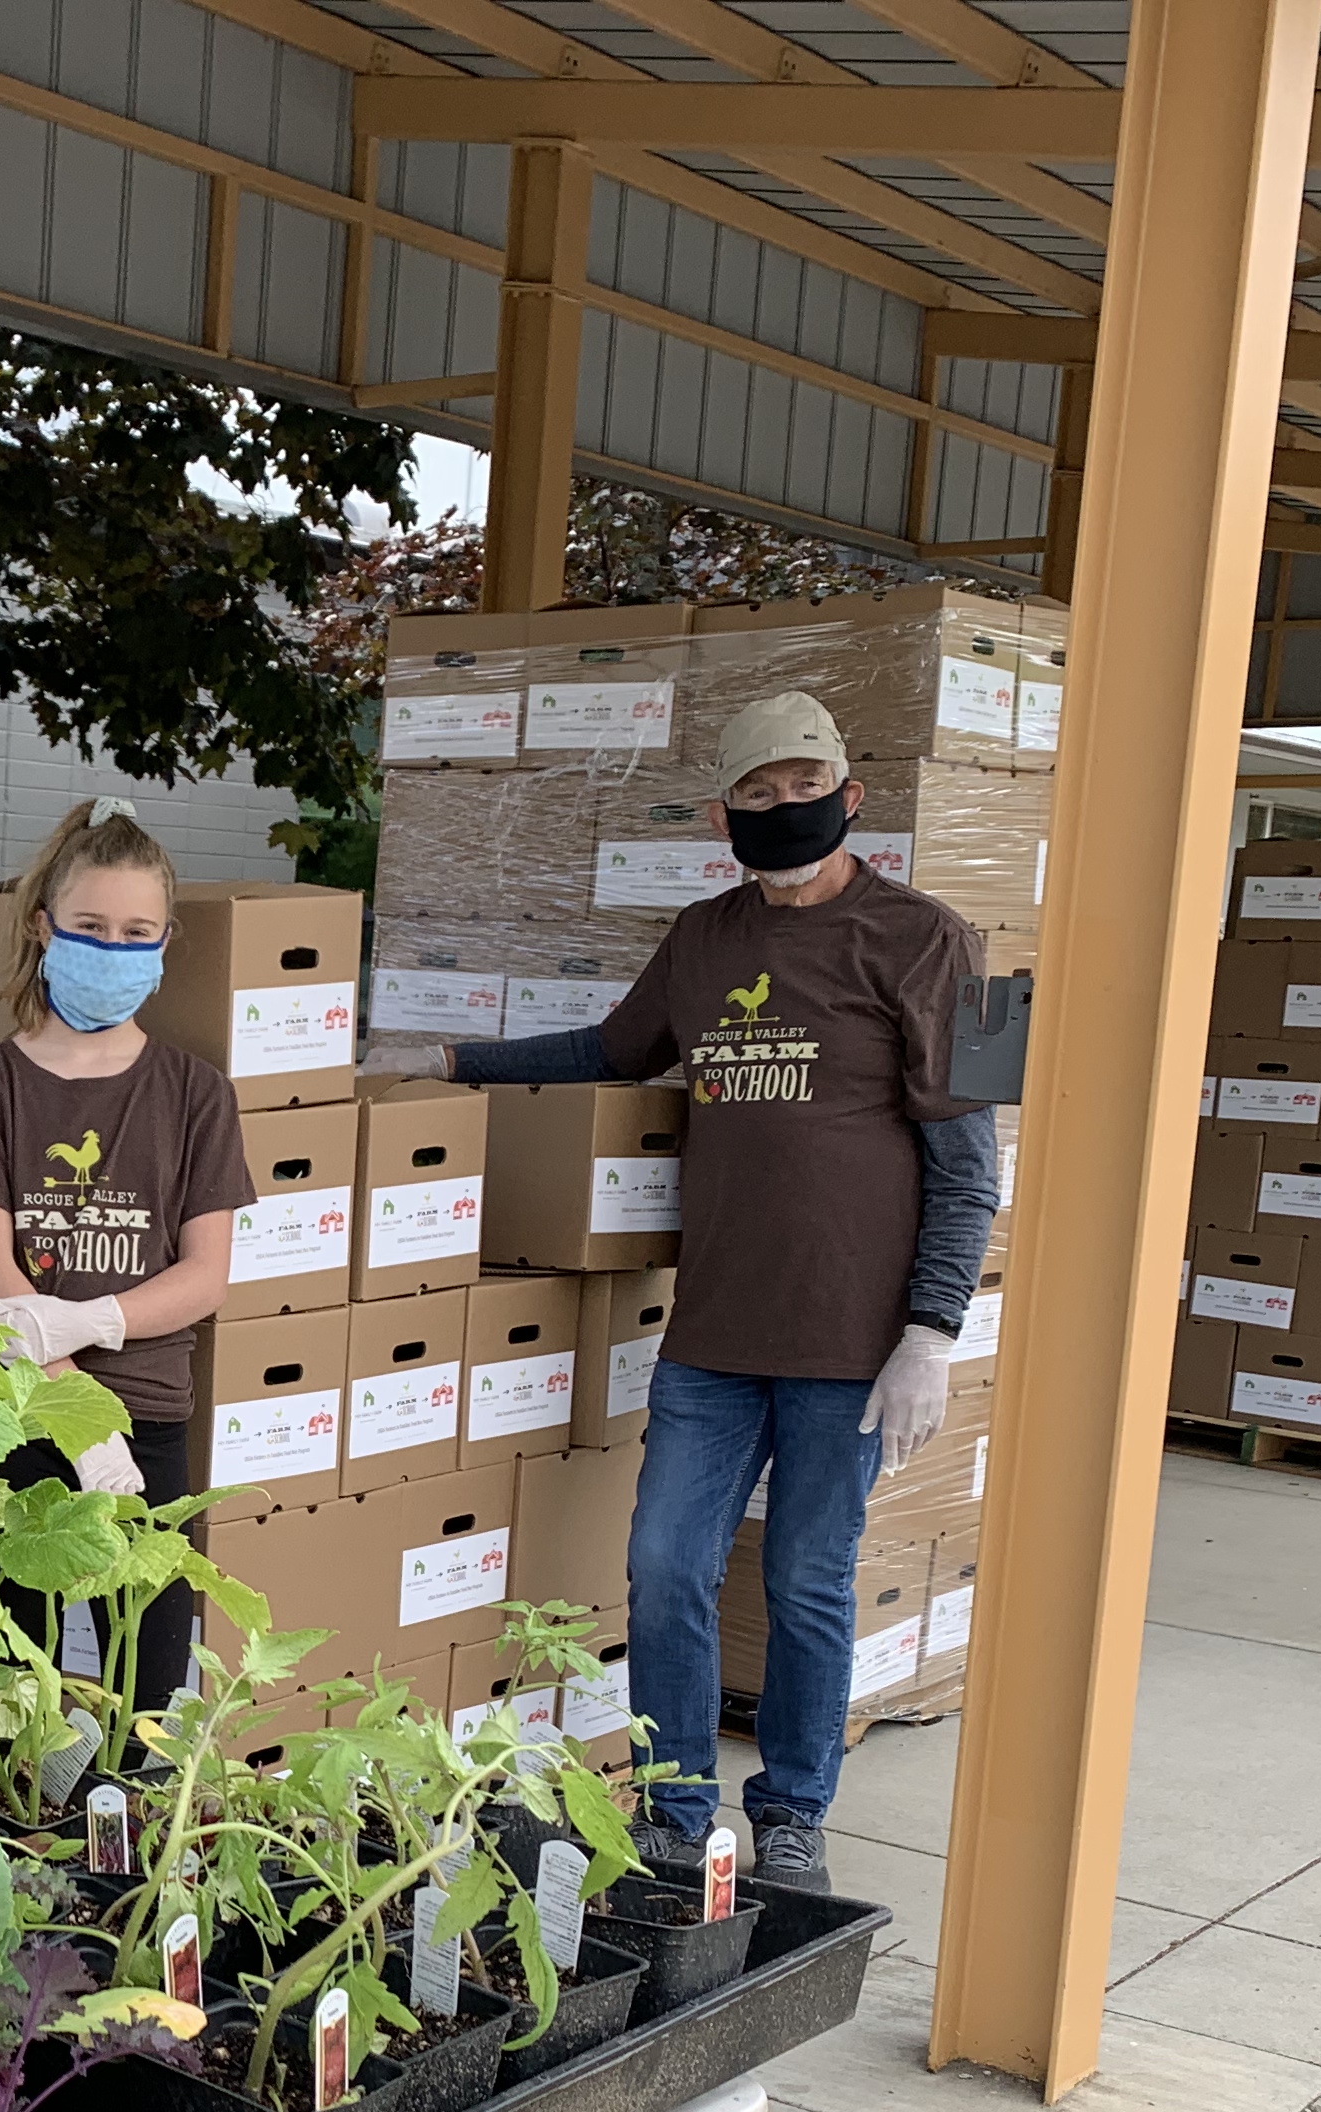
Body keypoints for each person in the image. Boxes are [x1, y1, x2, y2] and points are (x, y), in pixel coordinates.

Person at [364, 693, 999, 1890]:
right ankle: (671, 1804)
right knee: (663, 1567)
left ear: (851, 794)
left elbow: (973, 1165)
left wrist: (931, 1331)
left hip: (853, 1346)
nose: (782, 806)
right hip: (712, 1334)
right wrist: (445, 1061)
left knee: (810, 1579)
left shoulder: (941, 942)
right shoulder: (703, 938)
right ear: (724, 815)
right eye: (756, 792)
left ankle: (798, 1807)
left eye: (802, 783)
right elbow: (607, 1053)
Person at [0, 798, 252, 1711]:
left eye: (135, 932)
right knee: (3, 1693)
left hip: (146, 1425)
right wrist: (76, 1410)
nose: (113, 948)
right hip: (15, 1419)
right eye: (90, 927)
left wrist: (102, 1316)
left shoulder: (195, 1096)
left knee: (143, 1692)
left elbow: (206, 1275)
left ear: (164, 943)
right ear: (43, 928)